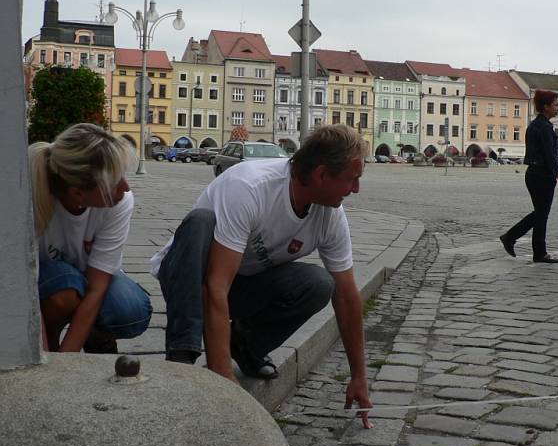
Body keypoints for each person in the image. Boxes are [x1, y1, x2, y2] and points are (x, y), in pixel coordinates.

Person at [151, 124, 373, 427]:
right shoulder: (251, 187)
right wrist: (223, 378)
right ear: (321, 175)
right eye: (353, 179)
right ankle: (182, 355)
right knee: (202, 221)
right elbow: (215, 285)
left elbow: (347, 297)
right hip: (189, 275)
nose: (356, 189)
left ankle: (246, 346)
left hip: (240, 283)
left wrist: (359, 376)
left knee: (320, 284)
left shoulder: (329, 215)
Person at [29, 123, 152, 353]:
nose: (126, 188)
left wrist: (69, 362)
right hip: (50, 282)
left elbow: (98, 286)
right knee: (63, 284)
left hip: (87, 279)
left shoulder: (120, 201)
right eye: (114, 183)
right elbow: (25, 290)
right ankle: (52, 341)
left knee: (129, 309)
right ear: (77, 193)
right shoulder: (32, 197)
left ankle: (95, 334)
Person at [499, 89, 558, 264]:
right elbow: (550, 155)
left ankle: (539, 252)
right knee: (541, 214)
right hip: (543, 174)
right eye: (556, 104)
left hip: (533, 173)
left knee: (541, 214)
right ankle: (511, 237)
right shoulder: (544, 128)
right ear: (546, 107)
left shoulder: (534, 125)